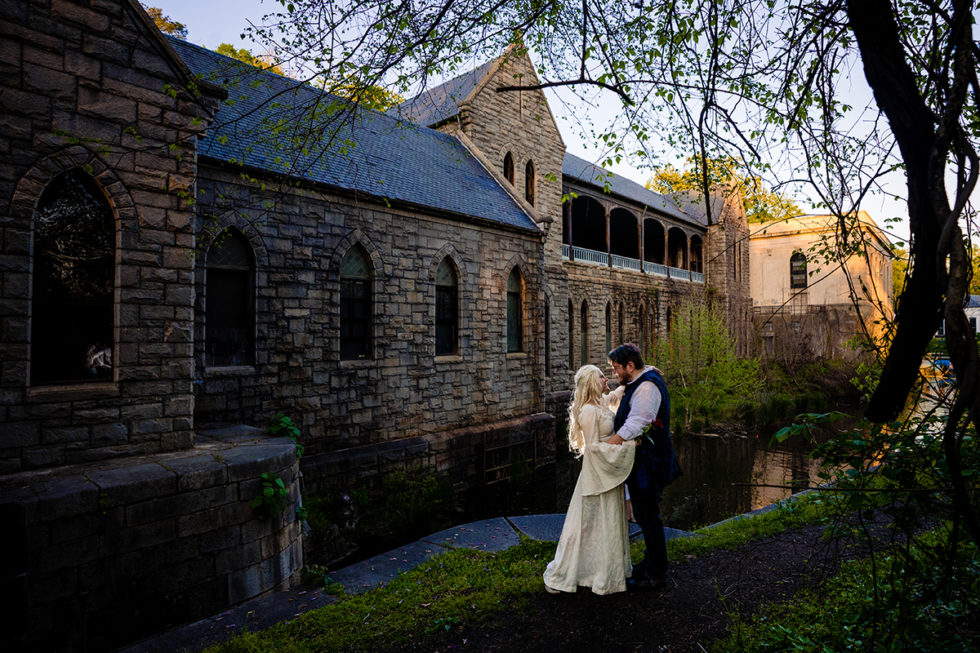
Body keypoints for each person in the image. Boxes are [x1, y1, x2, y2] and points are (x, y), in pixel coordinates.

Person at [543, 364, 636, 595]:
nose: (607, 379)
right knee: (588, 523)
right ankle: (567, 574)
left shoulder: (601, 403)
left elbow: (617, 394)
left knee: (607, 522)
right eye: (602, 377)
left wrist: (641, 373)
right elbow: (593, 448)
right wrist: (627, 446)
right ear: (593, 382)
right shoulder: (587, 412)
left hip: (608, 473)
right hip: (597, 473)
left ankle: (604, 571)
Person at [605, 343, 681, 590]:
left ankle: (656, 572)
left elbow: (638, 422)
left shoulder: (646, 387)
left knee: (648, 516)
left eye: (617, 368)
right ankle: (652, 563)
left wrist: (609, 444)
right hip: (645, 463)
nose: (615, 374)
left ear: (630, 366)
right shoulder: (640, 379)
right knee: (647, 514)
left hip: (649, 463)